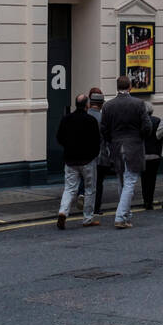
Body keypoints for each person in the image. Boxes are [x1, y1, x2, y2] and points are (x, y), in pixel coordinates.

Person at [99, 75, 152, 229]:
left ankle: (127, 215)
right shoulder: (139, 104)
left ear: (117, 88)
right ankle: (121, 217)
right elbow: (147, 127)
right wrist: (140, 136)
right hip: (134, 146)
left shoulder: (108, 106)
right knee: (130, 181)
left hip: (116, 146)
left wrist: (111, 140)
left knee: (122, 181)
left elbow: (103, 129)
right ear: (130, 87)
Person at [55, 93, 101, 229]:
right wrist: (93, 154)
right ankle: (87, 218)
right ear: (87, 105)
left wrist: (68, 147)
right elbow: (96, 141)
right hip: (87, 160)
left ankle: (63, 212)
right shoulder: (91, 120)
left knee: (69, 188)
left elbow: (59, 137)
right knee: (90, 189)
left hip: (70, 159)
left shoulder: (66, 119)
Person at [139, 93, 161, 210]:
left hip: (142, 154)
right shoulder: (157, 120)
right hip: (155, 154)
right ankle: (150, 201)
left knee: (144, 178)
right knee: (152, 179)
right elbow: (160, 136)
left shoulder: (139, 122)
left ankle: (145, 200)